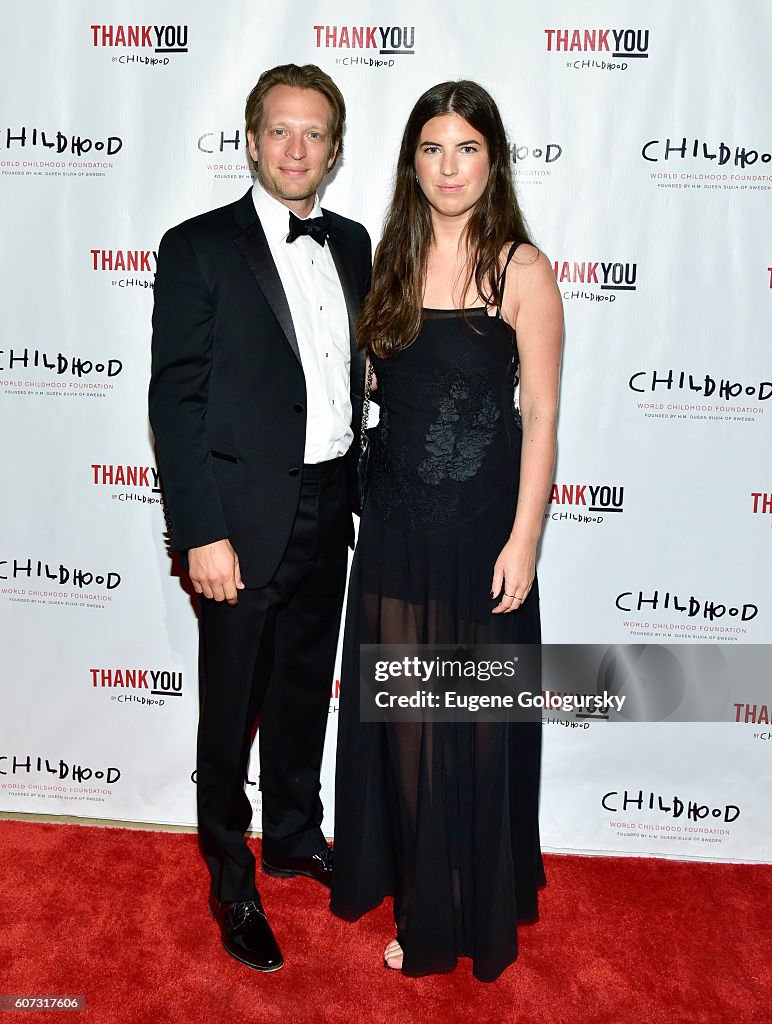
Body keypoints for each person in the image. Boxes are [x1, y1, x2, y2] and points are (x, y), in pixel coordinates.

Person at [330, 80, 563, 982]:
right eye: (432, 148)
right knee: (406, 720)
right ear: (411, 162)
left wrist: (526, 539)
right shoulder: (391, 255)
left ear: (493, 158)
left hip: (478, 532)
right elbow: (383, 390)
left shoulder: (522, 269)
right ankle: (426, 887)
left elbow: (539, 413)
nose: (448, 166)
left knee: (468, 721)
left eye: (466, 147)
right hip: (392, 524)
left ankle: (457, 905)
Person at [149, 64, 371, 972]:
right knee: (229, 705)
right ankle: (229, 876)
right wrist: (200, 531)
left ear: (334, 149)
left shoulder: (353, 243)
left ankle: (292, 833)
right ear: (250, 139)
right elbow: (176, 399)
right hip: (237, 523)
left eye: (314, 134)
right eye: (280, 130)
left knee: (299, 689)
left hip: (329, 504)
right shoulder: (199, 245)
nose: (296, 149)